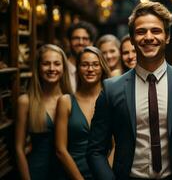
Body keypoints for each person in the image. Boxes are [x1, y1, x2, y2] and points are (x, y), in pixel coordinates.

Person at [87, 1, 172, 180]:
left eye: (156, 31)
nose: (148, 37)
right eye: (140, 32)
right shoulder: (111, 89)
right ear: (131, 38)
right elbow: (95, 150)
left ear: (167, 36)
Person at [15, 44, 72, 180]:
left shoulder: (71, 100)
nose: (52, 68)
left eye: (57, 64)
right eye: (46, 64)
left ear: (63, 68)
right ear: (38, 68)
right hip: (36, 172)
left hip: (67, 172)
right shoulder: (25, 101)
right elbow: (18, 149)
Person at [55, 46, 111, 179]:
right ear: (78, 69)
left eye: (95, 65)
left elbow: (116, 145)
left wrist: (105, 175)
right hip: (73, 173)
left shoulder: (111, 99)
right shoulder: (66, 101)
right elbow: (60, 149)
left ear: (102, 68)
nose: (90, 69)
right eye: (84, 65)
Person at [67, 21, 97, 92]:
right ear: (69, 42)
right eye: (76, 38)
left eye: (85, 39)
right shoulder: (61, 68)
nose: (80, 42)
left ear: (91, 43)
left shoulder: (97, 69)